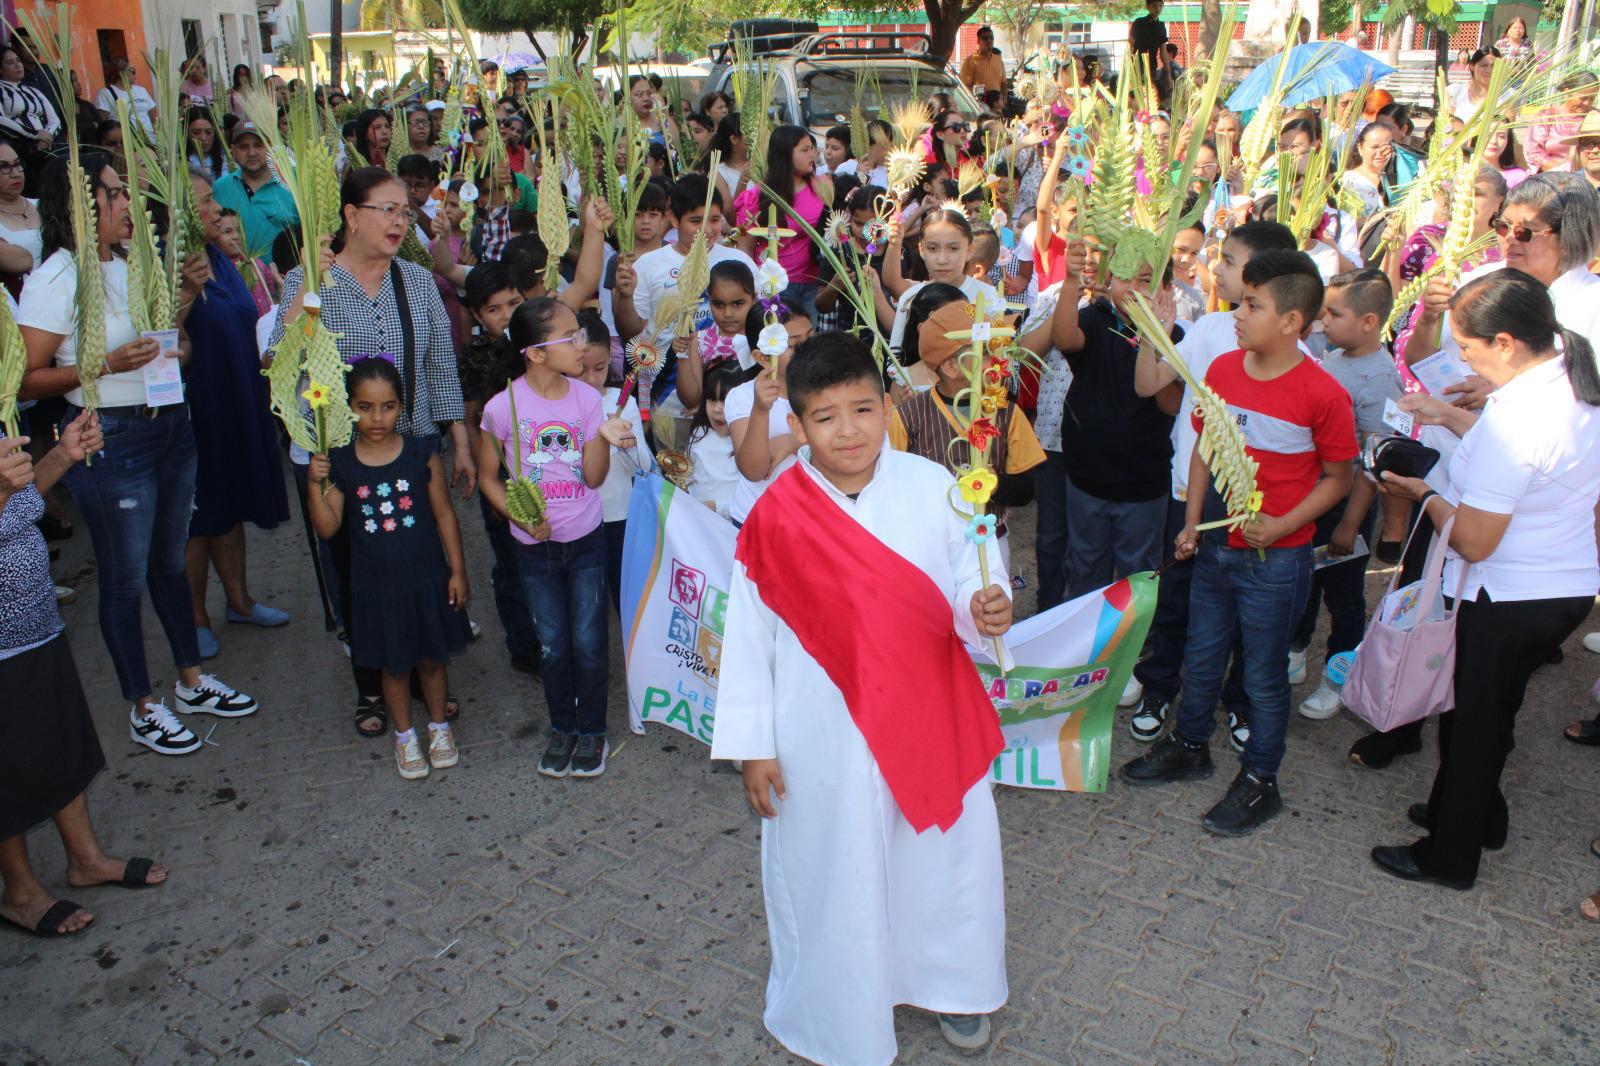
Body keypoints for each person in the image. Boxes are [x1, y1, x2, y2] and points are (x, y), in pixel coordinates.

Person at [711, 331, 1013, 1063]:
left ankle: (956, 985)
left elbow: (973, 572)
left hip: (928, 709)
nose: (849, 431)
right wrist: (753, 745)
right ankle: (842, 1001)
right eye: (826, 416)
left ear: (888, 407)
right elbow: (751, 639)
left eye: (863, 409)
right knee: (834, 861)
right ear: (798, 423)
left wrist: (986, 606)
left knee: (946, 857)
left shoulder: (938, 484)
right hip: (822, 731)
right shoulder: (777, 513)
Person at [18, 152, 260, 755]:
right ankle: (142, 706)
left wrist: (182, 306)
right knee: (124, 581)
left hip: (169, 425)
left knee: (170, 564)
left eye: (125, 191)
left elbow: (167, 340)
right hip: (110, 438)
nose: (127, 203)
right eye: (113, 193)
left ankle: (191, 681)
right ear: (80, 204)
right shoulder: (57, 278)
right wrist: (101, 364)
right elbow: (25, 379)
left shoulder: (130, 263)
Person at [1370, 269, 1600, 890]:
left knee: (1469, 725)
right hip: (1562, 587)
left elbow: (1473, 538)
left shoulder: (1518, 417)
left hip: (1507, 594)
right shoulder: (1571, 380)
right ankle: (1476, 817)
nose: (1462, 359)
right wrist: (1450, 416)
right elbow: (1526, 471)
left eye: (1467, 347)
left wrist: (1422, 494)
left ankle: (1449, 856)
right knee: (1494, 712)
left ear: (1505, 343)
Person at [1119, 251, 1356, 837]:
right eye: (1240, 301)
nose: (1238, 313)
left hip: (1278, 556)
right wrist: (1192, 521)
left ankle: (1260, 780)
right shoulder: (1223, 370)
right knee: (1200, 656)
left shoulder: (1322, 393)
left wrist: (1280, 527)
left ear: (1292, 322)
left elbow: (1339, 479)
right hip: (1215, 546)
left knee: (1262, 675)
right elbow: (1204, 447)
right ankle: (1190, 744)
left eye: (1253, 305)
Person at [270, 166, 472, 732]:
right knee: (355, 568)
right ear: (350, 215)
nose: (397, 221)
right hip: (339, 453)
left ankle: (430, 673)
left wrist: (457, 437)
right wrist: (306, 294)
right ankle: (372, 683)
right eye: (386, 209)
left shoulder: (415, 279)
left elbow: (437, 365)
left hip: (413, 446)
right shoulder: (309, 280)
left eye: (404, 212)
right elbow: (276, 359)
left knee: (421, 560)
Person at [1126, 220, 1302, 745]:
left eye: (1228, 260)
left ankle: (1239, 700)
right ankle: (1162, 686)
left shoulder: (1297, 360)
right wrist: (1151, 331)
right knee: (1176, 601)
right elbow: (1148, 384)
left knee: (1244, 612)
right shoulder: (1207, 329)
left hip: (1250, 509)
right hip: (1189, 494)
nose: (1216, 269)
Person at [1, 411, 172, 938]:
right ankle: (20, 891)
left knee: (59, 734)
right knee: (7, 759)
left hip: (33, 620)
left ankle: (86, 858)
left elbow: (21, 505)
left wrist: (61, 455)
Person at [476, 298, 636, 779]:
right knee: (553, 644)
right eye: (571, 338)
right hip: (533, 550)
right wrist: (520, 520)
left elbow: (591, 479)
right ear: (537, 353)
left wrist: (603, 440)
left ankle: (593, 732)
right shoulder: (500, 408)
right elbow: (489, 479)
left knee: (588, 642)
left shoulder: (589, 401)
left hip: (586, 543)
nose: (581, 345)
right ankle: (561, 728)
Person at [306, 359, 470, 780]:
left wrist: (457, 571)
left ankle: (439, 729)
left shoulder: (421, 453)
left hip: (427, 579)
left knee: (433, 660)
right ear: (348, 406)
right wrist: (314, 484)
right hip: (375, 587)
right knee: (393, 667)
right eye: (364, 407)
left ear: (402, 406)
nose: (376, 418)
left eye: (388, 407)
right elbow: (327, 528)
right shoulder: (341, 462)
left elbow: (445, 516)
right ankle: (404, 737)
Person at [181, 168, 291, 660]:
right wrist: (184, 293)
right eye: (207, 203)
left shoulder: (221, 259)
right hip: (197, 404)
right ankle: (195, 617)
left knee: (231, 508)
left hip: (239, 395)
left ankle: (240, 600)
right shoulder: (169, 264)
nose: (217, 212)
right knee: (199, 516)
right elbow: (161, 335)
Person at [1292, 268, 1400, 720]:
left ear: (1370, 321)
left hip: (1345, 506)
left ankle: (1340, 675)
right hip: (1312, 495)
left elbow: (1374, 466)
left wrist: (1352, 524)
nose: (1323, 322)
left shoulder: (1380, 380)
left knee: (1345, 596)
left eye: (1334, 313)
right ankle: (1295, 651)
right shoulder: (1335, 356)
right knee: (1304, 581)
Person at [1049, 240, 1181, 603]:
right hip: (1086, 480)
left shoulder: (1177, 339)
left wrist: (1157, 338)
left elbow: (1169, 404)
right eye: (1123, 277)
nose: (1133, 289)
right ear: (1108, 280)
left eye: (1145, 279)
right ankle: (1084, 650)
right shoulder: (1095, 320)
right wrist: (1072, 281)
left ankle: (1133, 650)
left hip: (1142, 487)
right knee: (1085, 566)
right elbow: (1063, 338)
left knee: (1137, 573)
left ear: (1166, 289)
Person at [890, 285, 1046, 566]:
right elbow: (892, 484)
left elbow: (1026, 489)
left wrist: (995, 483)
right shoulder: (909, 415)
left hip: (990, 542)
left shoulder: (1008, 413)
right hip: (929, 545)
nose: (997, 359)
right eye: (985, 351)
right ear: (950, 367)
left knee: (989, 605)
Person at [455, 261, 540, 684]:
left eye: (514, 303)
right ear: (475, 314)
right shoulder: (475, 359)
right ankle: (523, 645)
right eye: (494, 309)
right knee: (510, 566)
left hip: (544, 469)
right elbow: (473, 421)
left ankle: (549, 635)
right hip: (502, 474)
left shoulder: (538, 344)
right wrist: (485, 480)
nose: (507, 316)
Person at [575, 310, 649, 613]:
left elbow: (644, 467)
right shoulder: (558, 407)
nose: (592, 380)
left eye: (600, 368)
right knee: (586, 600)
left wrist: (627, 445)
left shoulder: (623, 403)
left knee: (625, 594)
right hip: (577, 519)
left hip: (619, 516)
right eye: (581, 370)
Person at [734, 125, 829, 323]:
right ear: (785, 155)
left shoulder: (823, 187)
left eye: (812, 148)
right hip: (775, 286)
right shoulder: (757, 196)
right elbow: (745, 250)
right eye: (804, 150)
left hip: (815, 283)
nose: (812, 154)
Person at [727, 307, 812, 525]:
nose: (809, 349)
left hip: (809, 519)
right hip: (757, 520)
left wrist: (794, 441)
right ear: (763, 357)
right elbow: (754, 470)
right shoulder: (743, 397)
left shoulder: (826, 389)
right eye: (793, 345)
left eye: (812, 336)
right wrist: (761, 409)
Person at [211, 119, 300, 269]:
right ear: (232, 151)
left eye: (259, 145)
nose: (252, 153)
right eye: (243, 147)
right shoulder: (219, 188)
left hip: (290, 282)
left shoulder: (294, 183)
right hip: (238, 282)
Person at [687, 360, 748, 519]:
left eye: (726, 401)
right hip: (698, 524)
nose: (717, 409)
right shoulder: (699, 434)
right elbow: (689, 477)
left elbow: (752, 499)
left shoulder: (748, 444)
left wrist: (718, 508)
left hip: (731, 530)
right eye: (712, 400)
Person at [0, 45, 59, 198]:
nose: (18, 65)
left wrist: (46, 136)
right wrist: (34, 134)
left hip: (45, 145)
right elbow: (1, 120)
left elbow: (54, 119)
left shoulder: (33, 91)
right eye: (10, 62)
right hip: (18, 145)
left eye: (18, 60)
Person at [1524, 72, 1599, 172]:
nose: (1587, 103)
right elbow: (1533, 153)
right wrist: (1563, 173)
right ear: (1567, 92)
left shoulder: (1595, 118)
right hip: (1550, 177)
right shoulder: (1548, 117)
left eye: (1591, 99)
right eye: (1583, 98)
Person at [0, 140, 41, 290]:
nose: (16, 174)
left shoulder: (44, 205)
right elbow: (23, 262)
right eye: (3, 167)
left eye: (17, 164)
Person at [1340, 122, 1394, 223]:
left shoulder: (1402, 179)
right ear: (1360, 147)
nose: (1381, 152)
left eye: (1386, 146)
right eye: (1374, 147)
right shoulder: (1347, 181)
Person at [93, 59, 158, 136]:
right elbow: (102, 122)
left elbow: (152, 117)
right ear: (121, 73)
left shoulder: (142, 90)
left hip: (150, 140)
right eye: (131, 70)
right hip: (126, 142)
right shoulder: (106, 93)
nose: (134, 73)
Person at [1447, 48, 1501, 125]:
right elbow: (1445, 126)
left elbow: (1506, 132)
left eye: (1494, 66)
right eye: (1484, 65)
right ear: (1472, 66)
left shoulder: (1506, 96)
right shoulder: (1453, 92)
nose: (1489, 70)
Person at [959, 25, 1006, 102]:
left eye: (991, 38)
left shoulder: (998, 60)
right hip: (979, 107)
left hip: (996, 107)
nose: (989, 40)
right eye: (985, 38)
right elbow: (964, 86)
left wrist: (1003, 101)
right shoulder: (970, 61)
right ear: (978, 41)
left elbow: (1004, 84)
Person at [185, 107, 228, 181]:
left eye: (208, 132)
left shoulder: (226, 160)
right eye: (196, 132)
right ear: (187, 133)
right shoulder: (180, 163)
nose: (203, 138)